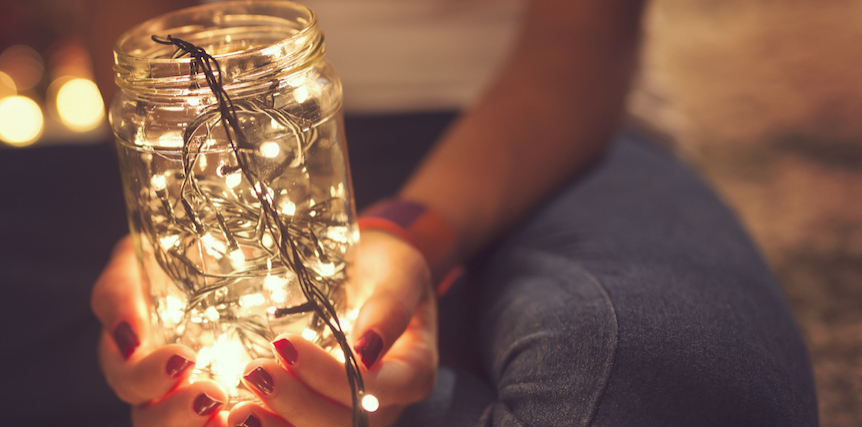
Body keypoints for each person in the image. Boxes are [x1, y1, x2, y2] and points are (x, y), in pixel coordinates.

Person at [84, 0, 820, 426]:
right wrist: (178, 221)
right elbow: (131, 35)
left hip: (547, 131)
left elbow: (582, 40)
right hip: (232, 156)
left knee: (664, 385)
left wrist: (410, 232)